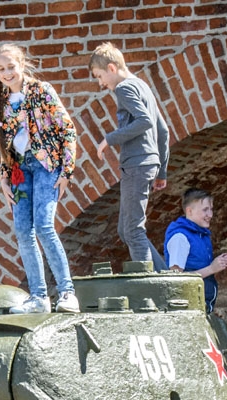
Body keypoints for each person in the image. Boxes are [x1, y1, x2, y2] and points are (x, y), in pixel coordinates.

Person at [0, 43, 81, 315]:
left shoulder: (41, 91)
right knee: (22, 230)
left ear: (22, 65)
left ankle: (67, 292)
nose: (7, 73)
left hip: (45, 165)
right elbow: (5, 142)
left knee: (44, 225)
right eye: (1, 69)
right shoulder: (2, 100)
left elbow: (67, 128)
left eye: (11, 67)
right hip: (20, 170)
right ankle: (39, 297)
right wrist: (4, 177)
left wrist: (66, 171)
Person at [89, 43, 170, 271]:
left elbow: (144, 121)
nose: (100, 83)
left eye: (100, 76)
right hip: (146, 163)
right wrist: (161, 170)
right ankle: (162, 274)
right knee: (125, 230)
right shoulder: (141, 85)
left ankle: (152, 288)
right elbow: (163, 131)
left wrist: (110, 138)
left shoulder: (124, 88)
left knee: (133, 230)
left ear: (112, 68)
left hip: (136, 163)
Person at [163, 187, 227, 313]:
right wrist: (211, 269)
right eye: (205, 210)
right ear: (190, 211)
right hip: (187, 309)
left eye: (211, 209)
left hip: (199, 307)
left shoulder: (200, 234)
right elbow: (176, 279)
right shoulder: (180, 237)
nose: (210, 215)